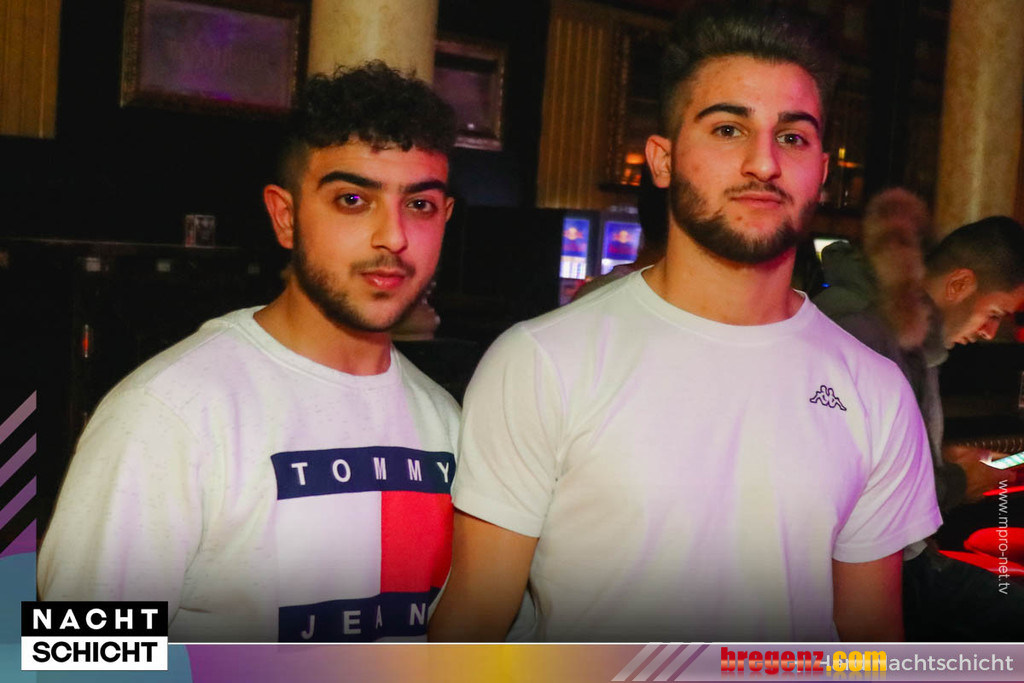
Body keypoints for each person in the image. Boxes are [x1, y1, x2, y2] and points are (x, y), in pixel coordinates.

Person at [429, 1, 940, 643]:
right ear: (663, 160)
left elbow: (870, 643)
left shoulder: (875, 390)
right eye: (728, 129)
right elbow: (472, 629)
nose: (764, 163)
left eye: (792, 137)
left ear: (822, 172)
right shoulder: (543, 361)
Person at [38, 62, 461, 643]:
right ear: (286, 217)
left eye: (420, 205)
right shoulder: (169, 413)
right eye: (352, 199)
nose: (393, 236)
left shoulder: (445, 420)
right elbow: (80, 656)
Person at [814, 196, 1024, 640]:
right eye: (993, 315)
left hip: (905, 559)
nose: (990, 333)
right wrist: (958, 481)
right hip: (867, 573)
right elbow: (845, 489)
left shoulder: (912, 339)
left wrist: (938, 457)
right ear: (959, 284)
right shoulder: (865, 333)